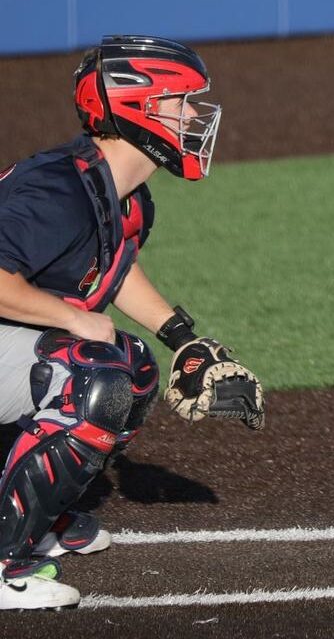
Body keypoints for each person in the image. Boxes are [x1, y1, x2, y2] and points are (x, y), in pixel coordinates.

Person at [0, 36, 264, 611]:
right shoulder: (57, 189)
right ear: (136, 108)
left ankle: (39, 516)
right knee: (88, 375)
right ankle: (5, 562)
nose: (193, 117)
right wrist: (71, 318)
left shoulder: (125, 196)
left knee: (134, 366)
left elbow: (116, 270)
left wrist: (182, 337)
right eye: (181, 102)